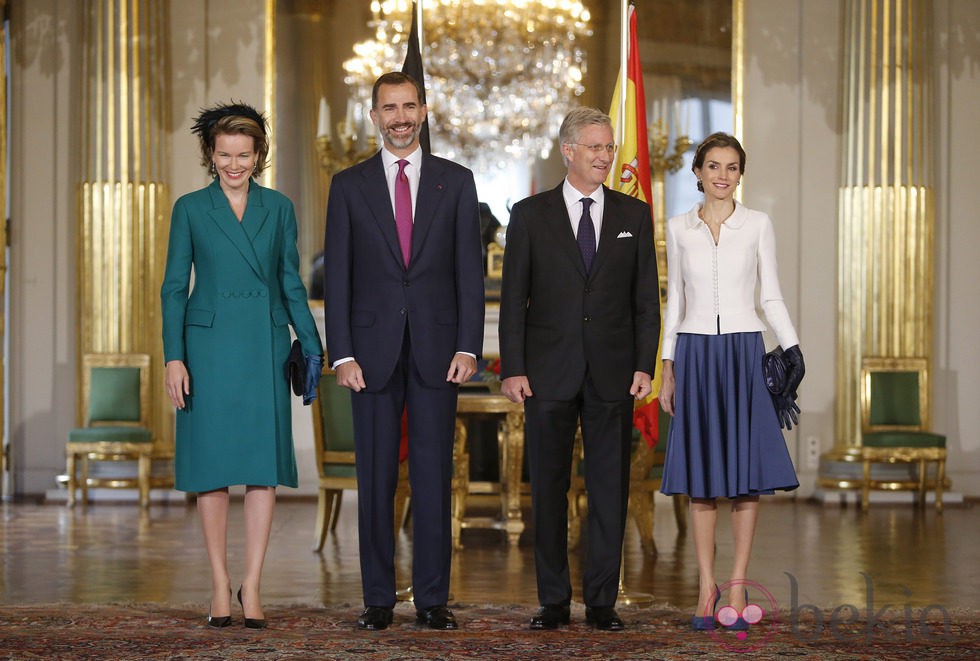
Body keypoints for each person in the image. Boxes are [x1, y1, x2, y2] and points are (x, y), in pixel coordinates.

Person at [322, 72, 484, 631]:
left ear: (424, 110)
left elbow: (470, 270)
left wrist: (469, 344)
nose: (399, 117)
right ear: (374, 116)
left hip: (440, 352)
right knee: (375, 480)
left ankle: (433, 600)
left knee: (435, 477)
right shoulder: (348, 185)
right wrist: (340, 353)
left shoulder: (456, 181)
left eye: (409, 106)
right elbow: (337, 274)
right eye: (389, 108)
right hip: (369, 355)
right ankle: (377, 599)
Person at [161, 102, 323, 630]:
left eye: (244, 155)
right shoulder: (189, 207)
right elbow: (172, 289)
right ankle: (217, 583)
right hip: (206, 350)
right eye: (225, 154)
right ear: (210, 154)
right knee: (212, 471)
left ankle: (251, 584)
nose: (234, 164)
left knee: (260, 469)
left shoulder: (278, 208)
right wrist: (174, 356)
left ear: (259, 156)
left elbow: (290, 282)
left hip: (263, 345)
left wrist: (313, 345)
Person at [498, 107, 660, 632]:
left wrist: (643, 364)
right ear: (568, 151)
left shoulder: (633, 217)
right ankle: (552, 601)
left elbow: (645, 304)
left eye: (609, 148)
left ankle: (602, 602)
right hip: (546, 375)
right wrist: (513, 369)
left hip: (613, 374)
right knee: (547, 489)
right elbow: (513, 301)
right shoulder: (529, 215)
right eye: (595, 147)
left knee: (609, 489)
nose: (605, 157)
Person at [657, 132, 804, 632]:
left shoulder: (757, 224)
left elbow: (773, 296)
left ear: (741, 174)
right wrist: (667, 365)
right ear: (697, 172)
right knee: (702, 479)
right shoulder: (677, 228)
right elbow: (674, 300)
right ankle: (705, 587)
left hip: (745, 351)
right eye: (714, 166)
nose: (722, 176)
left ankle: (737, 582)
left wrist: (793, 347)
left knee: (744, 478)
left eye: (732, 167)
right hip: (695, 353)